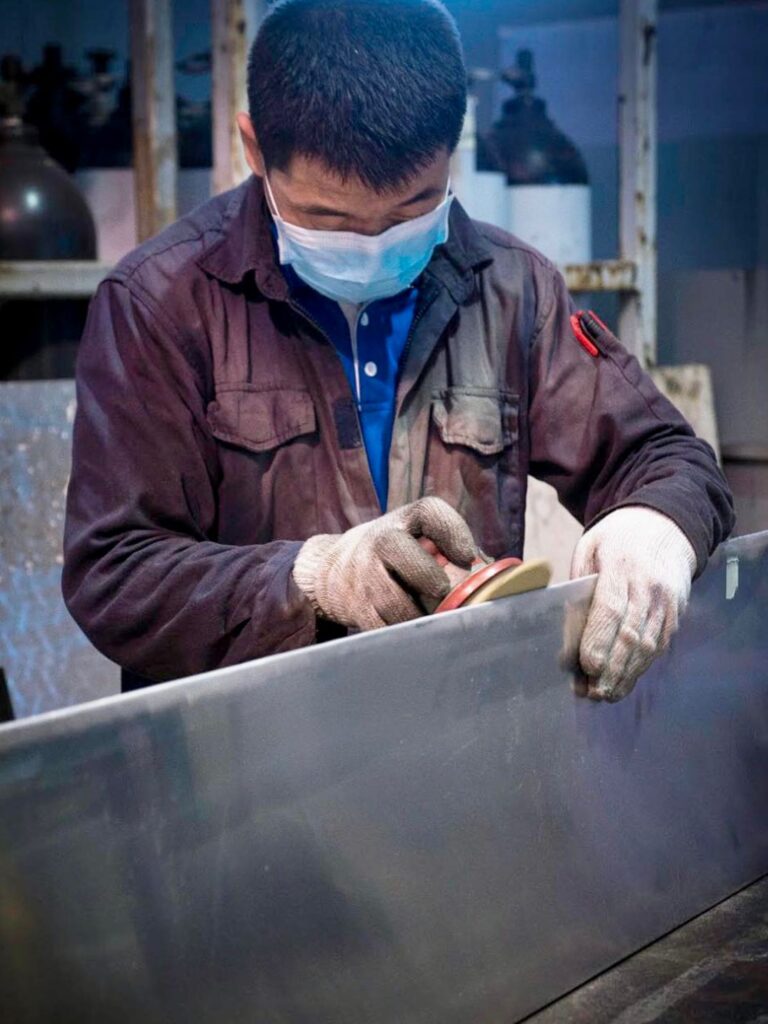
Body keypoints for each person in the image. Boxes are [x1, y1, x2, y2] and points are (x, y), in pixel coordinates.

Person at [62, 0, 734, 701]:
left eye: (412, 208)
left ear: (453, 151)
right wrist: (311, 582)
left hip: (457, 727)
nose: (372, 244)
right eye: (327, 217)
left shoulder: (511, 288)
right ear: (254, 148)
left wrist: (654, 524)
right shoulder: (160, 303)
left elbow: (665, 456)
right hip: (246, 744)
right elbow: (115, 574)